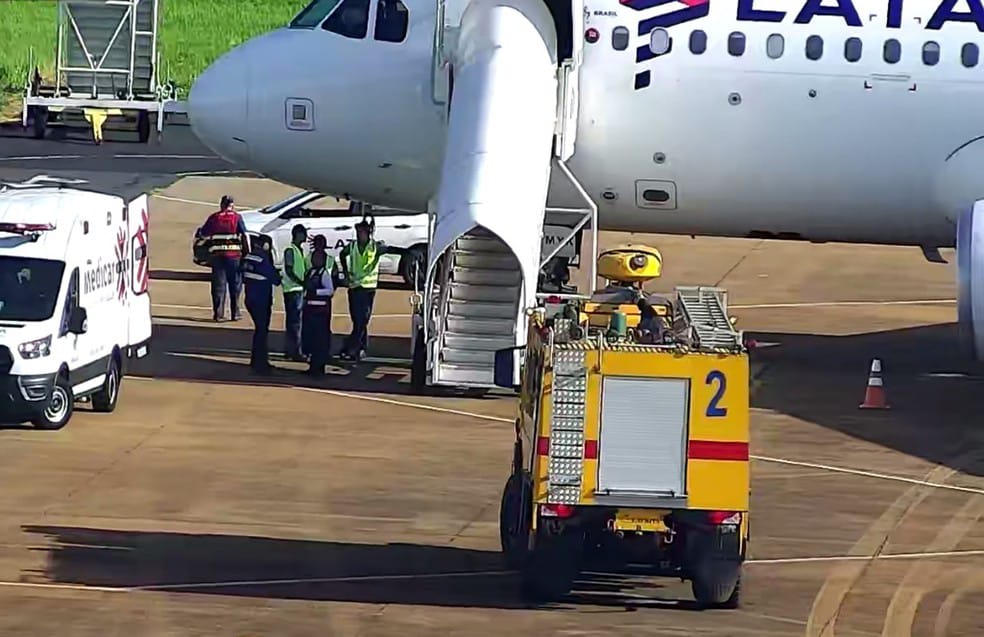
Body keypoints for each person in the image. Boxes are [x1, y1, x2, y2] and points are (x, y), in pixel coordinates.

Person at [338, 216, 401, 361]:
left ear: (368, 233)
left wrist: (408, 252)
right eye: (358, 232)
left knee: (363, 320)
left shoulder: (375, 247)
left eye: (362, 232)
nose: (360, 235)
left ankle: (350, 347)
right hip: (354, 287)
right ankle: (360, 348)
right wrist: (346, 273)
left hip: (368, 289)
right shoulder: (352, 246)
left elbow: (390, 249)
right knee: (357, 320)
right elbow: (342, 254)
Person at [199, 195, 249, 322]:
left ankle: (218, 314)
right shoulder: (237, 218)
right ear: (232, 205)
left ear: (221, 205)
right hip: (234, 256)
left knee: (219, 286)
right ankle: (235, 312)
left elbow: (203, 234)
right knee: (235, 284)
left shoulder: (214, 218)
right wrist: (246, 253)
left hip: (218, 256)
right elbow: (244, 235)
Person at [241, 237, 282, 374]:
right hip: (261, 299)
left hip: (250, 299)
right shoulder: (263, 259)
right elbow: (275, 279)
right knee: (262, 332)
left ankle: (256, 360)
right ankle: (261, 363)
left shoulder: (248, 257)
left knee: (259, 330)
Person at [302, 245, 336, 376]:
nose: (314, 260)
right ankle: (312, 366)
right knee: (310, 338)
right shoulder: (310, 272)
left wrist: (315, 291)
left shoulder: (324, 274)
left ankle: (319, 368)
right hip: (310, 309)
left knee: (320, 340)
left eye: (317, 258)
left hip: (321, 311)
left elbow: (330, 290)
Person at [281, 224, 309, 361]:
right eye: (303, 233)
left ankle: (290, 350)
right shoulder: (290, 250)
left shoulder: (299, 250)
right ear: (297, 234)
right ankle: (295, 351)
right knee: (296, 322)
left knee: (293, 322)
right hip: (293, 290)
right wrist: (301, 282)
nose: (305, 236)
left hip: (296, 290)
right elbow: (289, 270)